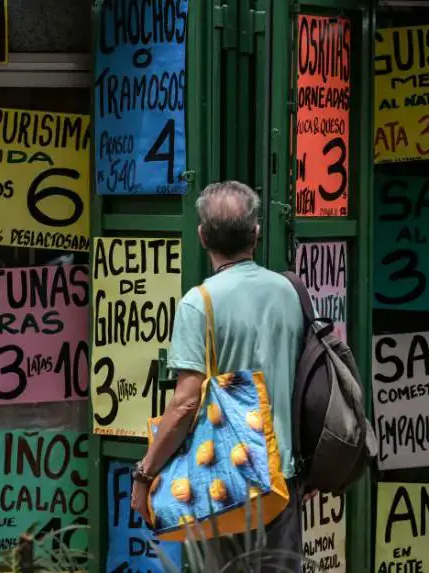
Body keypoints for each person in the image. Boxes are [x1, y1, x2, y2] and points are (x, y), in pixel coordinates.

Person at [130, 180, 305, 568]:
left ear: (202, 235)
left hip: (229, 485)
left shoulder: (199, 303)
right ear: (256, 233)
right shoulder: (289, 293)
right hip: (283, 481)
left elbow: (186, 402)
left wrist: (144, 475)